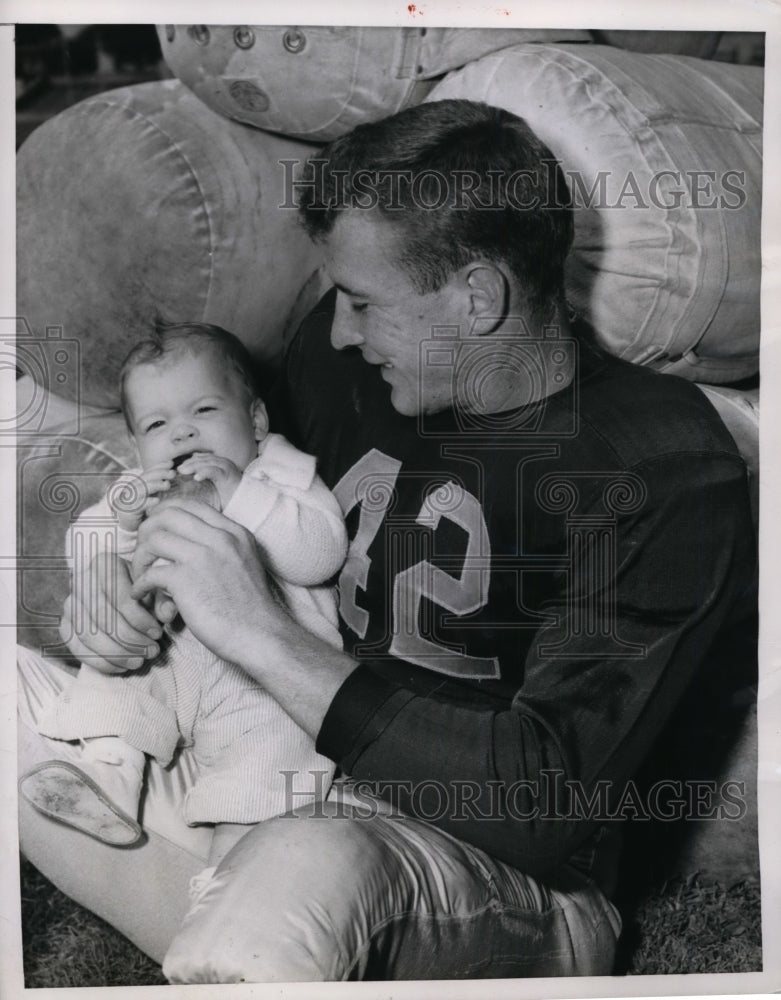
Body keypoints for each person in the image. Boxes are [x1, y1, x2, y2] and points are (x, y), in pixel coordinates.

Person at [17, 99, 756, 982]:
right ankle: (248, 924)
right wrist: (107, 578)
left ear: (478, 296)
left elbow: (542, 805)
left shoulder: (653, 458)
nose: (337, 330)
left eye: (363, 303)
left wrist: (257, 630)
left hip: (494, 870)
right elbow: (222, 486)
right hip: (274, 782)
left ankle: (256, 924)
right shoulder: (344, 367)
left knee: (309, 861)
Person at [20, 323, 345, 875]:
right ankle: (108, 778)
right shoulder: (143, 489)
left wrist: (238, 493)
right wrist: (117, 534)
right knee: (116, 673)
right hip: (166, 658)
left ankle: (232, 871)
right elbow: (84, 535)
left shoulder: (281, 476)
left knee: (271, 762)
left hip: (264, 679)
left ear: (257, 421)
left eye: (204, 411)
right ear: (137, 446)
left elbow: (319, 554)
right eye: (157, 424)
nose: (181, 435)